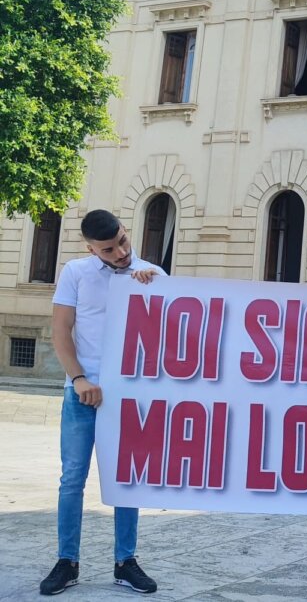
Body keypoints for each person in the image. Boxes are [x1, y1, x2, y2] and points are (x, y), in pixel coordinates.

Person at [41, 210, 162, 596]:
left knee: (128, 480)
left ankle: (126, 562)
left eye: (123, 242)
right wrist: (78, 379)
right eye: (109, 249)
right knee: (72, 479)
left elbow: (173, 336)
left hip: (130, 397)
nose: (120, 252)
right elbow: (61, 331)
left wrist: (153, 290)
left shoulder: (153, 274)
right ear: (91, 248)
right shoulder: (76, 273)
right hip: (82, 392)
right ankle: (66, 561)